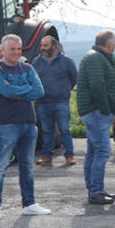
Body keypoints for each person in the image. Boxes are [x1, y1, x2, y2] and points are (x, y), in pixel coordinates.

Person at [0, 34, 50, 219]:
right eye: (12, 49)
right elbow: (5, 91)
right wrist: (25, 89)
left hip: (29, 124)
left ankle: (29, 203)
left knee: (27, 166)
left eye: (18, 49)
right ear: (3, 50)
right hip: (7, 124)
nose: (15, 52)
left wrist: (17, 92)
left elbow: (40, 91)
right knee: (0, 166)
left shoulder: (27, 67)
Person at [77, 30, 115, 205]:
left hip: (94, 112)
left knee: (93, 151)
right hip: (97, 112)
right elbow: (97, 86)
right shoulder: (96, 58)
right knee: (102, 151)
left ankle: (93, 188)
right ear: (109, 45)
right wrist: (106, 110)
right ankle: (96, 191)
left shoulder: (94, 57)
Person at [32, 35, 78, 166]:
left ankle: (69, 155)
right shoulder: (37, 62)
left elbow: (74, 78)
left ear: (54, 46)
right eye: (42, 45)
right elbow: (33, 79)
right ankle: (47, 156)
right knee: (46, 131)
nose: (43, 48)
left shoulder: (67, 62)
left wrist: (64, 91)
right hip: (43, 102)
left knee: (64, 130)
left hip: (61, 102)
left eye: (45, 46)